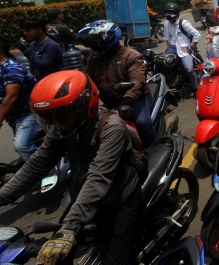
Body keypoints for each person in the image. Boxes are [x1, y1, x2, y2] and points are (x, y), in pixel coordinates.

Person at [0, 70, 142, 265]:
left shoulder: (111, 127)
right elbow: (36, 164)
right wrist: (2, 196)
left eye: (61, 114)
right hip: (82, 194)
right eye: (50, 116)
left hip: (117, 199)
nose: (57, 121)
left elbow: (99, 177)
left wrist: (71, 226)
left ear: (86, 104)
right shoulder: (63, 127)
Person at [78, 20, 156, 149]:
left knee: (142, 123)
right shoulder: (93, 59)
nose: (93, 45)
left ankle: (154, 149)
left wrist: (127, 101)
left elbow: (137, 82)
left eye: (96, 40)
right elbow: (85, 80)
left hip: (135, 99)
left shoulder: (131, 56)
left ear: (109, 38)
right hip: (110, 101)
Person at [0, 38, 41, 162]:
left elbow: (11, 96)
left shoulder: (12, 68)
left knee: (22, 146)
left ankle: (49, 174)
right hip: (15, 116)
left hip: (29, 113)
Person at [162, 3, 200, 94]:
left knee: (188, 68)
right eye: (167, 12)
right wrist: (168, 46)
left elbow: (197, 34)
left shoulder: (183, 23)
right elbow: (166, 36)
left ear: (176, 13)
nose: (169, 15)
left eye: (171, 13)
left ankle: (196, 88)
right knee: (164, 64)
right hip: (172, 47)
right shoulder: (166, 23)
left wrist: (192, 47)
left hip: (184, 48)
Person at [18, 17, 64, 82]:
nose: (25, 33)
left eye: (28, 31)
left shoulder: (51, 46)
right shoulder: (32, 44)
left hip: (53, 83)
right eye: (24, 31)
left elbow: (43, 65)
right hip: (39, 83)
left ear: (39, 29)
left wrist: (27, 51)